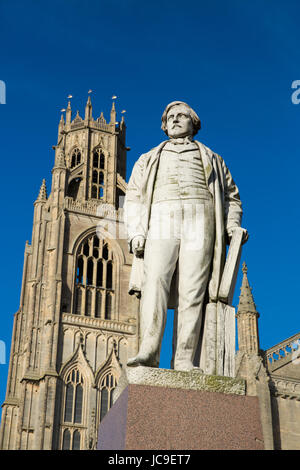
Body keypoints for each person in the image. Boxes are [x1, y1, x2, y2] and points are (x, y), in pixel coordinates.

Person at [124, 101, 248, 371]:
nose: (175, 120)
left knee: (193, 290)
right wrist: (135, 232)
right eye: (170, 117)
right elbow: (132, 197)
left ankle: (183, 359)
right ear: (164, 124)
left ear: (194, 123)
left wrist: (231, 226)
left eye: (182, 116)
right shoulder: (147, 158)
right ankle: (149, 350)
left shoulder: (213, 158)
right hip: (161, 215)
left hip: (200, 216)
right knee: (155, 281)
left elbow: (232, 198)